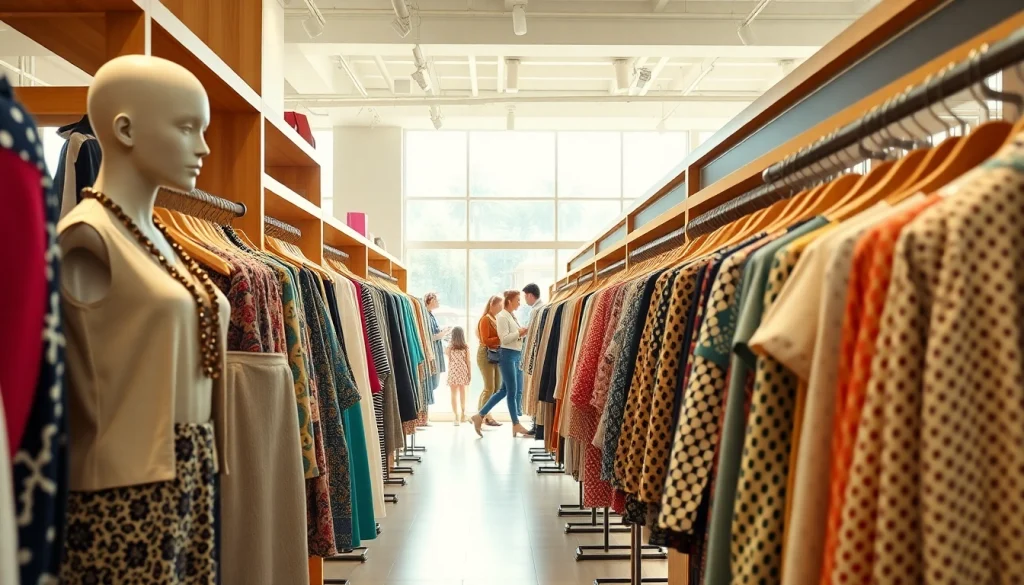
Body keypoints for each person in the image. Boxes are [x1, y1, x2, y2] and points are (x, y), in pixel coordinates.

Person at [471, 290, 530, 438]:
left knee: (504, 390)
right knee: (511, 391)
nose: (519, 303)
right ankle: (515, 424)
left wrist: (521, 333)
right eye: (517, 300)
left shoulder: (510, 316)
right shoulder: (502, 317)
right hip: (508, 355)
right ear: (509, 301)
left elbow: (512, 337)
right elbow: (504, 339)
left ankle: (480, 415)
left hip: (515, 355)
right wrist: (520, 333)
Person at [520, 283, 545, 435]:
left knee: (535, 389)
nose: (525, 300)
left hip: (536, 356)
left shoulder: (536, 310)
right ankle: (537, 424)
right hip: (539, 355)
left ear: (530, 295)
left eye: (525, 296)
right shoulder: (541, 308)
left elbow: (534, 337)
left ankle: (537, 425)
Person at [475, 296, 503, 427]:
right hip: (485, 354)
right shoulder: (485, 319)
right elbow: (485, 340)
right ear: (492, 304)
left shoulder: (495, 319)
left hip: (495, 354)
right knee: (489, 388)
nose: (501, 308)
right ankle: (483, 417)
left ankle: (483, 415)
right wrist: (502, 338)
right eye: (499, 305)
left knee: (496, 388)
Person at [444, 327, 471, 425]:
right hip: (463, 370)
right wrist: (469, 373)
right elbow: (468, 361)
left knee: (453, 394)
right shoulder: (465, 347)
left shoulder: (450, 347)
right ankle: (463, 414)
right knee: (463, 393)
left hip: (453, 371)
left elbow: (448, 357)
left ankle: (456, 417)